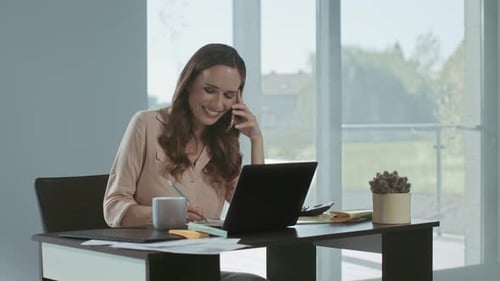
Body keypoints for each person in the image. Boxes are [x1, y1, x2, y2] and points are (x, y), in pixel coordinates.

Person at [103, 43, 267, 281]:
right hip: (148, 269)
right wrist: (168, 215)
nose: (218, 104)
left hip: (201, 269)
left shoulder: (223, 143)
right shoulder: (146, 125)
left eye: (229, 95)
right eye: (210, 90)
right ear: (189, 83)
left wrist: (256, 139)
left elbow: (256, 211)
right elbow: (113, 207)